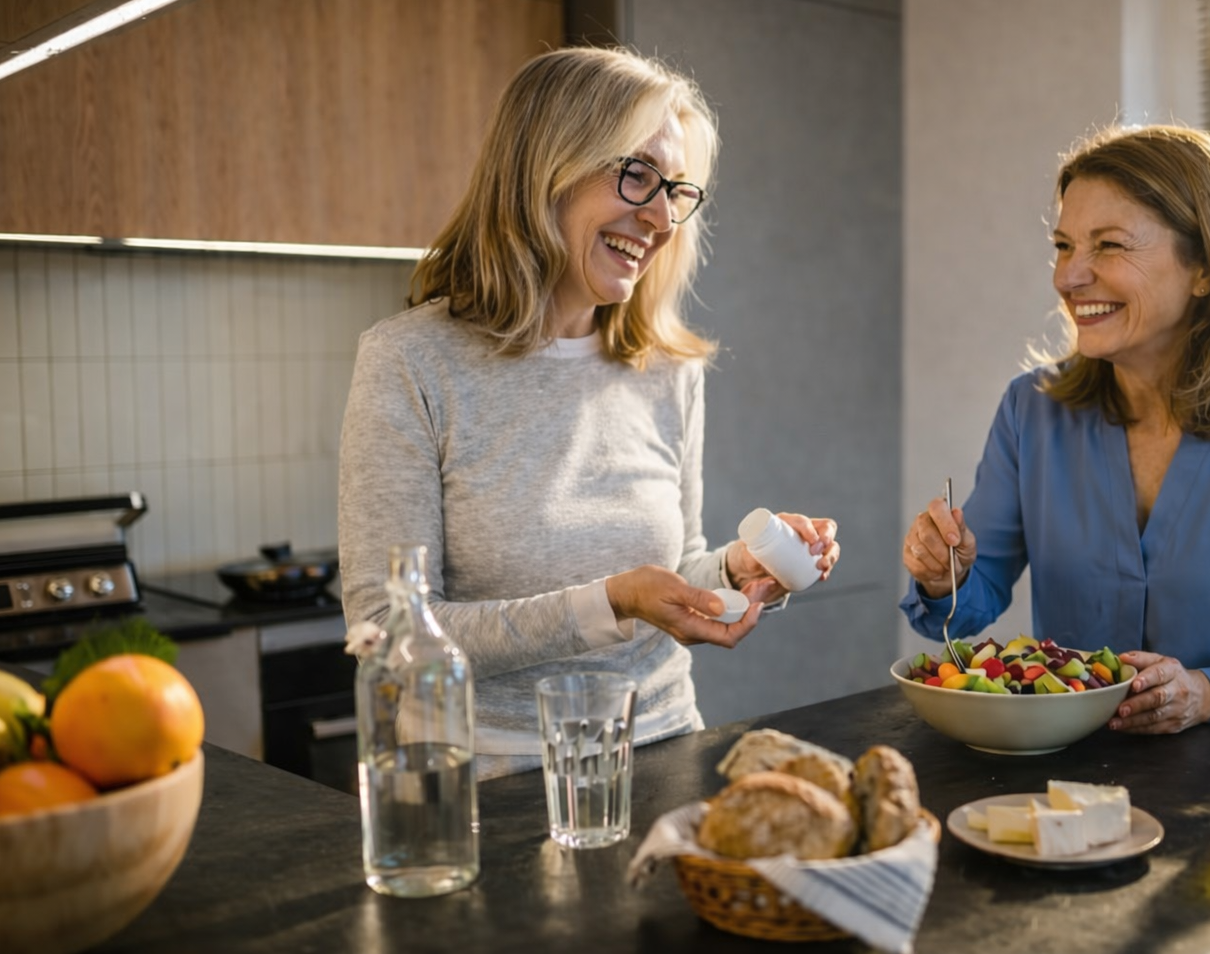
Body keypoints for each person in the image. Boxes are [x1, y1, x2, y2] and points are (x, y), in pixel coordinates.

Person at [339, 46, 839, 779]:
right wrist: (609, 602)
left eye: (676, 190)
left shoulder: (667, 368)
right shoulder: (410, 363)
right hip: (486, 778)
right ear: (547, 164)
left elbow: (671, 569)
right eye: (636, 175)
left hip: (664, 753)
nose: (661, 217)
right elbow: (385, 629)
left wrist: (735, 570)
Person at [899, 124, 1210, 734]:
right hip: (1063, 784)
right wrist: (945, 576)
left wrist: (1209, 689)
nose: (1069, 277)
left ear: (1203, 268)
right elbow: (968, 604)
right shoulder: (1031, 410)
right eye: (1064, 246)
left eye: (1109, 246)